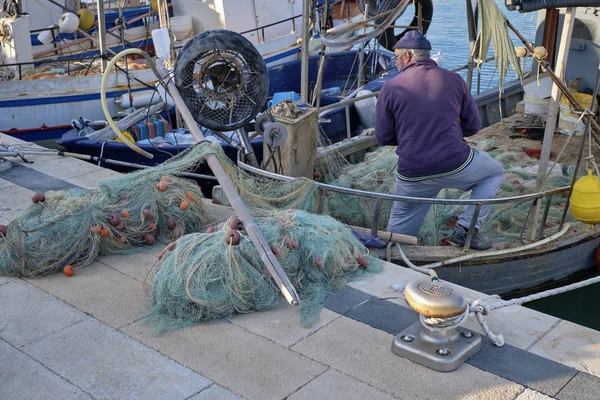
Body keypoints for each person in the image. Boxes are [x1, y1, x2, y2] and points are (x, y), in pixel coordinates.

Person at [374, 30, 504, 250]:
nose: (395, 62)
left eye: (396, 57)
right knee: (494, 172)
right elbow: (473, 125)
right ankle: (466, 230)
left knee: (398, 231)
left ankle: (395, 255)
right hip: (456, 164)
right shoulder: (454, 79)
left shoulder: (391, 87)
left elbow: (384, 136)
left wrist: (412, 137)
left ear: (406, 57)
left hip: (412, 172)